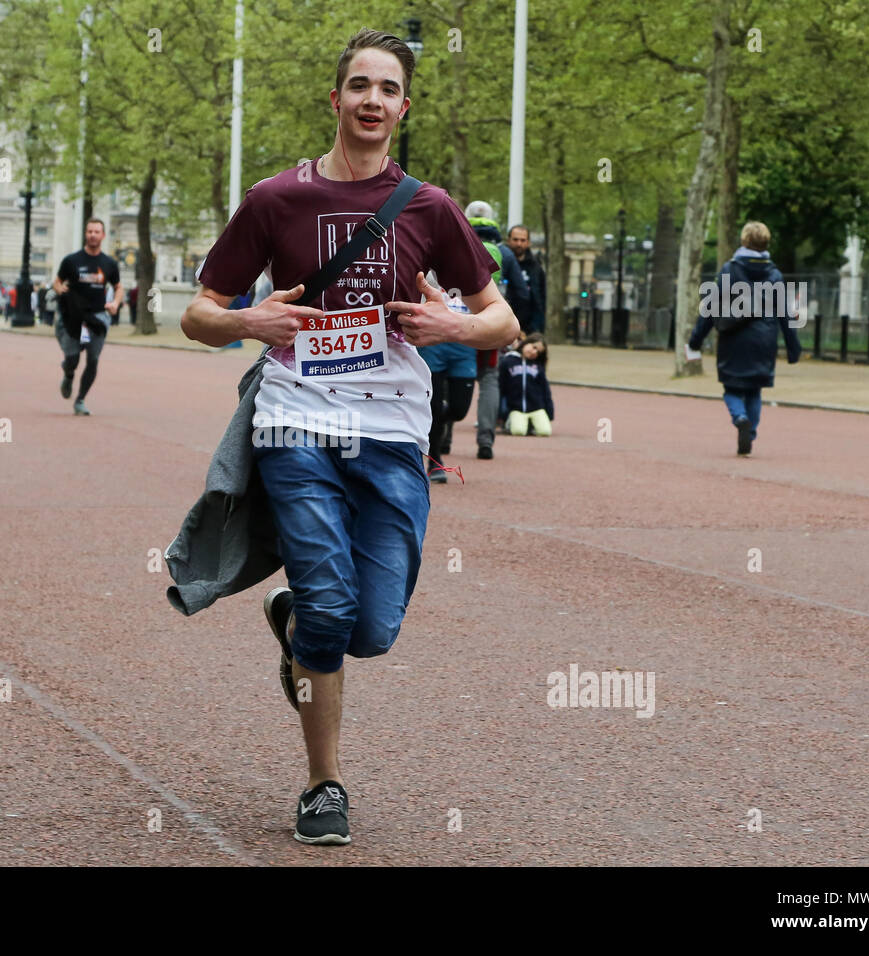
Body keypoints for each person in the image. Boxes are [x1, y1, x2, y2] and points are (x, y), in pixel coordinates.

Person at [176, 28, 517, 845]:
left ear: (404, 106)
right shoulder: (273, 201)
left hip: (395, 430)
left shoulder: (431, 208)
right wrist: (242, 321)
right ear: (335, 100)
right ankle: (324, 783)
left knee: (372, 629)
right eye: (358, 85)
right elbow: (198, 312)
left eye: (387, 89)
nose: (372, 100)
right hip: (297, 420)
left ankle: (296, 618)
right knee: (334, 613)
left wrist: (454, 326)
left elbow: (501, 318)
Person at [687, 220, 801, 456]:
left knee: (731, 387)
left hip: (734, 337)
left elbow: (710, 308)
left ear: (744, 241)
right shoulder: (775, 274)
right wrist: (793, 348)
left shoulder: (730, 270)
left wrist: (695, 341)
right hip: (764, 340)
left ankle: (739, 417)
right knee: (754, 390)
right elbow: (786, 314)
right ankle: (750, 434)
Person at [463, 200, 524, 460]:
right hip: (491, 323)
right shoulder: (504, 252)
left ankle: (442, 439)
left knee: (447, 377)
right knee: (489, 377)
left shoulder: (455, 242)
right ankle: (485, 438)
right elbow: (521, 292)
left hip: (459, 322)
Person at [52, 218, 122, 415]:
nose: (93, 235)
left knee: (93, 359)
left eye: (97, 232)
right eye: (90, 231)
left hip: (97, 318)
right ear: (86, 234)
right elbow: (56, 282)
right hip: (73, 317)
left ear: (103, 235)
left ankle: (80, 400)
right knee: (73, 358)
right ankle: (68, 374)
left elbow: (118, 287)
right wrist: (60, 288)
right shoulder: (71, 261)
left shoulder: (109, 264)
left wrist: (115, 303)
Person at [417, 289, 478, 483]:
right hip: (433, 346)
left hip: (464, 348)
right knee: (433, 407)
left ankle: (437, 420)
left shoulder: (474, 271)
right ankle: (435, 461)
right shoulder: (429, 267)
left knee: (459, 410)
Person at [500, 332, 554, 436]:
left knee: (545, 432)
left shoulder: (537, 366)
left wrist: (549, 413)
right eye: (534, 347)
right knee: (518, 431)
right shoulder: (508, 361)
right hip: (516, 408)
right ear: (527, 342)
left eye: (538, 352)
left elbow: (545, 390)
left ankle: (531, 424)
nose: (534, 352)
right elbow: (501, 387)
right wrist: (501, 413)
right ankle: (512, 422)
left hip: (537, 407)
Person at [505, 224, 546, 334]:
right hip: (503, 323)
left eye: (523, 240)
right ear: (508, 240)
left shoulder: (536, 267)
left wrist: (535, 328)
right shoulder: (500, 263)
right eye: (515, 240)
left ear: (528, 243)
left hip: (528, 328)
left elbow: (540, 298)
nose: (519, 244)